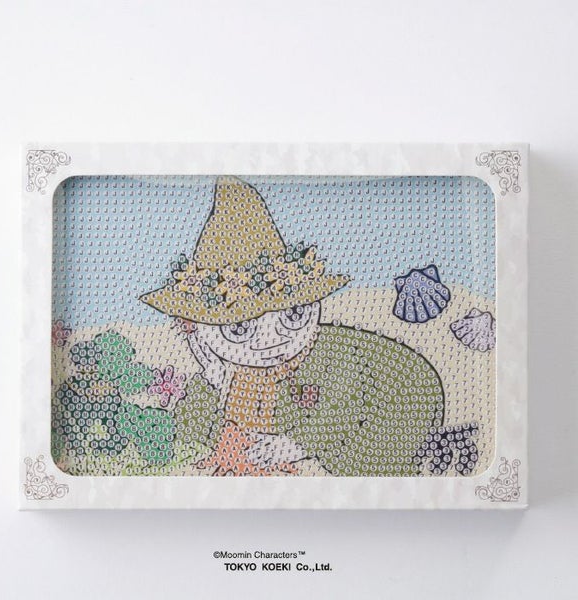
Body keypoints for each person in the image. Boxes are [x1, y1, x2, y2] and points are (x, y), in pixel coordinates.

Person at [141, 176, 447, 476]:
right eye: (239, 329)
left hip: (399, 402)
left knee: (368, 467)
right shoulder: (231, 374)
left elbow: (344, 402)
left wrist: (295, 445)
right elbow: (193, 429)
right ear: (196, 328)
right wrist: (211, 374)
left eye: (294, 314)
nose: (274, 340)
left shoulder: (329, 355)